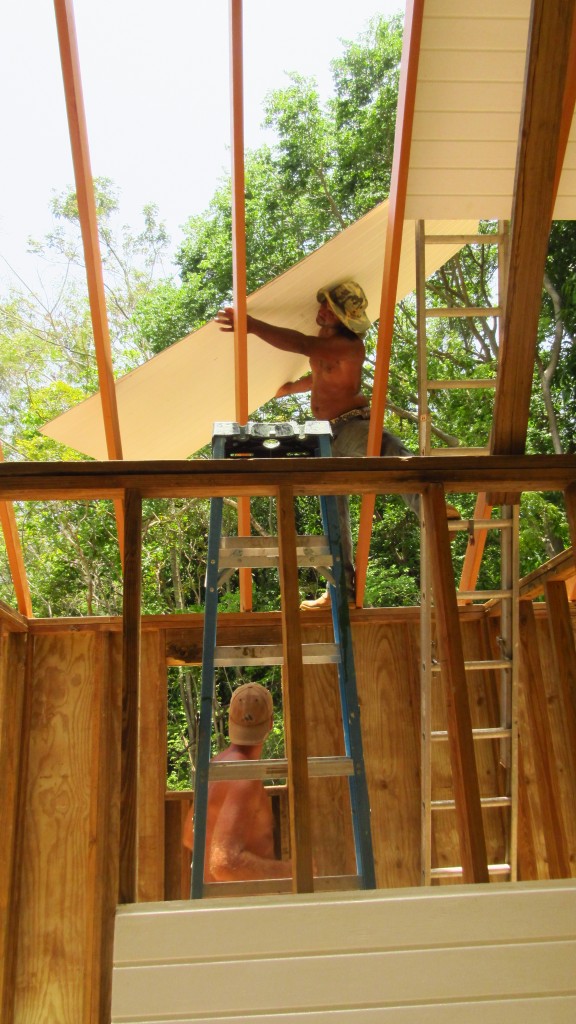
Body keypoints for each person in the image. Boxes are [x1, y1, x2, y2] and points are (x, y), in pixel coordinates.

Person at [216, 280, 458, 609]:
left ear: (343, 317)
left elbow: (302, 346)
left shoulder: (350, 345)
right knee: (333, 513)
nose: (321, 310)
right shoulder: (325, 341)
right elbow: (320, 371)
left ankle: (434, 510)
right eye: (323, 304)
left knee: (386, 449)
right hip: (326, 435)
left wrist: (252, 325)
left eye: (329, 308)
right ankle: (340, 591)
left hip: (352, 423)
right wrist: (290, 388)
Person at [182, 682, 292, 882]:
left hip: (214, 906)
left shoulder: (216, 765)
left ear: (231, 721)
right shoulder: (244, 777)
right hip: (238, 908)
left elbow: (190, 836)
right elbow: (225, 865)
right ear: (271, 723)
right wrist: (292, 871)